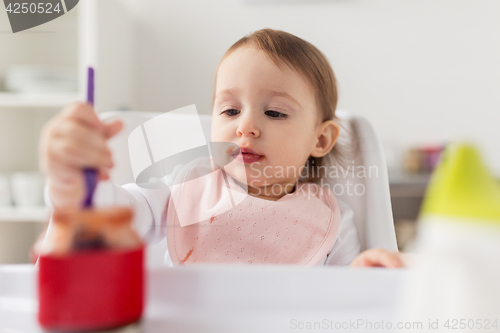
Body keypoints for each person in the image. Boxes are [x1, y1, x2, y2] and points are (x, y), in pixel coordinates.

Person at [39, 29, 405, 267]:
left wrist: (368, 271)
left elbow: (346, 298)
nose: (245, 125)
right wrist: (78, 183)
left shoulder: (331, 221)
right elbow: (119, 212)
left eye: (274, 112)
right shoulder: (185, 189)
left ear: (320, 140)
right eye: (230, 110)